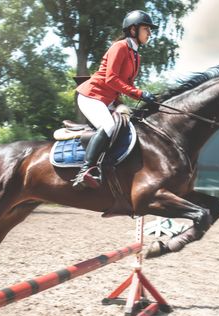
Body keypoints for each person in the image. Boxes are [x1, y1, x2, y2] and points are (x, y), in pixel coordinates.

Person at [72, 10, 158, 189]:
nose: (149, 32)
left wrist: (126, 103)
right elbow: (111, 79)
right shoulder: (119, 47)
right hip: (91, 95)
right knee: (109, 126)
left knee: (130, 123)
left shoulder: (136, 56)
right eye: (146, 28)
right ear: (133, 30)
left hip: (107, 99)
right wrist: (140, 94)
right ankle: (85, 171)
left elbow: (124, 85)